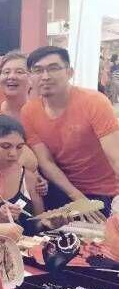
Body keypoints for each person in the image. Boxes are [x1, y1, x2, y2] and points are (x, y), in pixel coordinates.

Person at [21, 46, 119, 214]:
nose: (45, 76)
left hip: (104, 191)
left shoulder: (94, 102)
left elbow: (115, 156)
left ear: (69, 72)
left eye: (53, 68)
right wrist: (77, 198)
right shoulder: (29, 111)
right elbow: (46, 161)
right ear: (30, 77)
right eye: (37, 70)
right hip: (63, 189)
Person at [0, 51, 30, 118]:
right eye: (6, 72)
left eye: (19, 72)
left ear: (31, 77)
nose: (11, 76)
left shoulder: (41, 112)